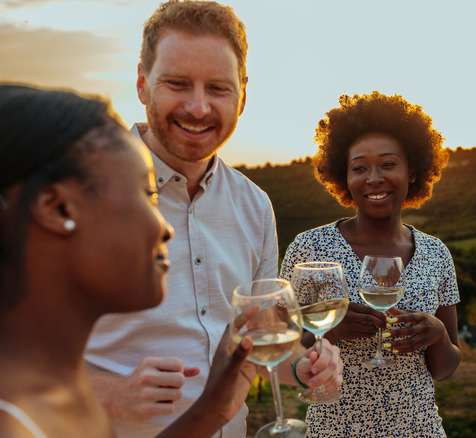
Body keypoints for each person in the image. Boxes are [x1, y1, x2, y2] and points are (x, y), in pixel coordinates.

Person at [83, 2, 341, 437]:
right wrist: (110, 393)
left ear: (243, 93)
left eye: (218, 88)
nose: (199, 108)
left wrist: (304, 367)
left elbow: (261, 340)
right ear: (143, 84)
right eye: (178, 84)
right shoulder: (74, 191)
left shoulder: (254, 205)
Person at [0, 84, 310, 437]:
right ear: (57, 208)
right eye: (147, 195)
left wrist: (212, 410)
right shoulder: (15, 420)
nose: (167, 229)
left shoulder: (44, 398)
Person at [280, 91, 461, 437]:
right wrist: (326, 331)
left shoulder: (437, 254)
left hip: (420, 430)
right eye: (359, 168)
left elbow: (445, 369)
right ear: (343, 177)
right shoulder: (309, 248)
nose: (374, 178)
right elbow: (277, 344)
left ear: (412, 172)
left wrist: (437, 336)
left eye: (388, 164)